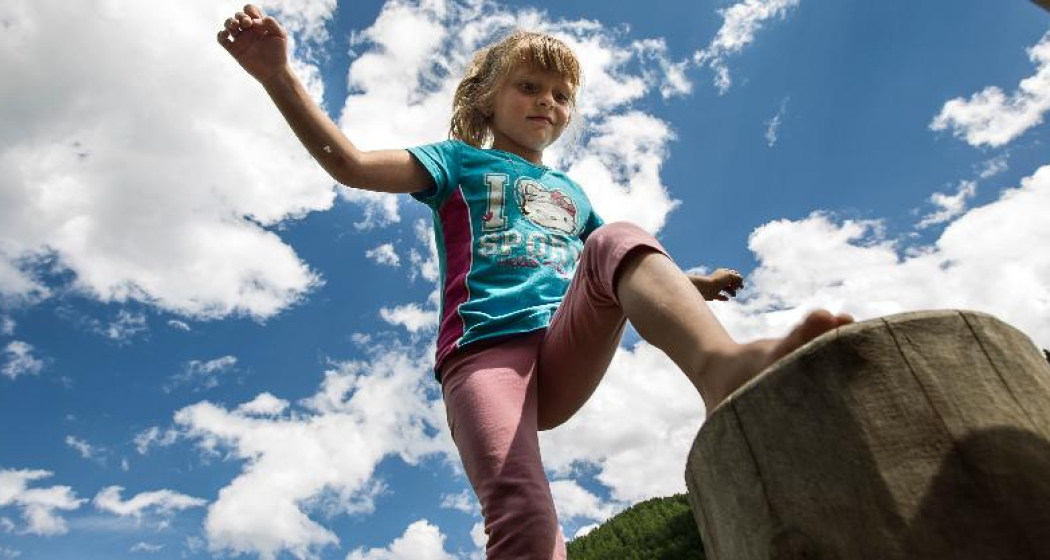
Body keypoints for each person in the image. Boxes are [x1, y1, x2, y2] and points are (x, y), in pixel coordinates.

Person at [217, 5, 853, 559]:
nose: (547, 101)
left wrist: (691, 283)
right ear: (487, 99)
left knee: (614, 235)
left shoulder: (572, 193)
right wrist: (278, 76)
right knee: (523, 511)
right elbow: (351, 165)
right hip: (486, 358)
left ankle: (722, 368)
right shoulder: (458, 160)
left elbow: (618, 261)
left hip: (562, 348)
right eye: (528, 86)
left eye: (559, 93)